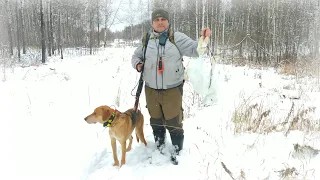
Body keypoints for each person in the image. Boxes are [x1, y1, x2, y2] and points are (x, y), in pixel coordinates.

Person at [131, 8, 211, 165]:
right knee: (155, 119)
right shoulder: (147, 39)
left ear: (168, 21)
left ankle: (177, 150)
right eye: (157, 19)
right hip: (151, 89)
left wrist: (204, 38)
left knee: (174, 121)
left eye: (163, 19)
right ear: (152, 22)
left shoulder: (177, 37)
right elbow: (135, 56)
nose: (160, 22)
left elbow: (197, 50)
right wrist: (138, 64)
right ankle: (160, 146)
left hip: (172, 89)